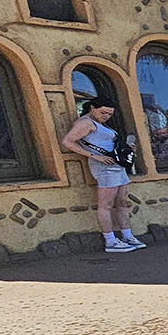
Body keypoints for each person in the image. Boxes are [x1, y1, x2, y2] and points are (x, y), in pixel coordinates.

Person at [61, 97, 145, 253]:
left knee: (121, 202)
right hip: (105, 168)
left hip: (116, 166)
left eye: (109, 114)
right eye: (103, 112)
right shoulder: (85, 123)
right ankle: (110, 241)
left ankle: (127, 235)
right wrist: (93, 156)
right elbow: (68, 141)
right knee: (105, 205)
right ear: (92, 108)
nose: (106, 116)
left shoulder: (100, 124)